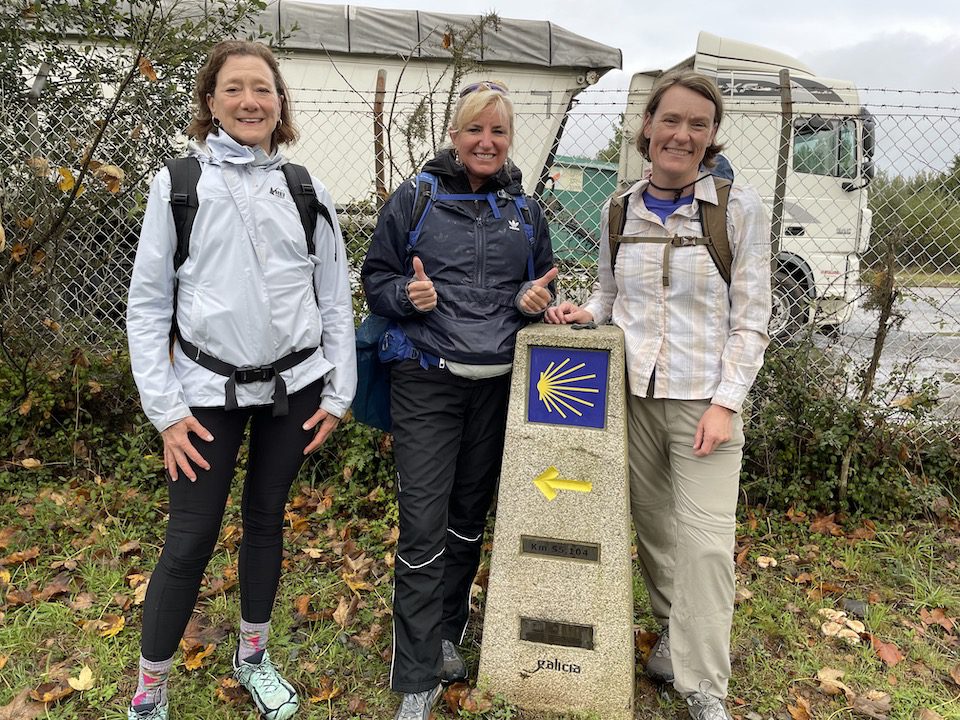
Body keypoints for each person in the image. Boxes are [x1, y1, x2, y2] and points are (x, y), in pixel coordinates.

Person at [125, 40, 356, 720]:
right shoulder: (178, 185)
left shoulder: (306, 189)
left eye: (263, 88)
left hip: (298, 390)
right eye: (234, 88)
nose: (250, 100)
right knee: (190, 538)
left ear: (280, 103)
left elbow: (336, 298)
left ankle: (252, 657)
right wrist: (165, 411)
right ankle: (149, 693)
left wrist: (338, 394)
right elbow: (148, 304)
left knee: (266, 523)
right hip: (202, 396)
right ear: (210, 102)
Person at [546, 69, 771, 720]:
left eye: (698, 124)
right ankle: (674, 635)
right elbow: (610, 297)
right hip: (634, 397)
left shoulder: (736, 209)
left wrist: (727, 402)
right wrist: (585, 316)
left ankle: (705, 689)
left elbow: (752, 317)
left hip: (705, 401)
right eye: (670, 120)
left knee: (704, 543)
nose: (682, 134)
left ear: (711, 136)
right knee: (654, 531)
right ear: (647, 126)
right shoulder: (621, 207)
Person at [361, 80, 555, 720]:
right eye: (476, 129)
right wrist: (403, 299)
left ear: (509, 141)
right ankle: (416, 677)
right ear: (454, 133)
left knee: (468, 518)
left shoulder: (525, 210)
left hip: (498, 386)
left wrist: (536, 304)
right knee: (422, 524)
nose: (486, 142)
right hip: (427, 380)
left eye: (498, 132)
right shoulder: (415, 198)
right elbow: (377, 280)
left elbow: (539, 289)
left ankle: (446, 635)